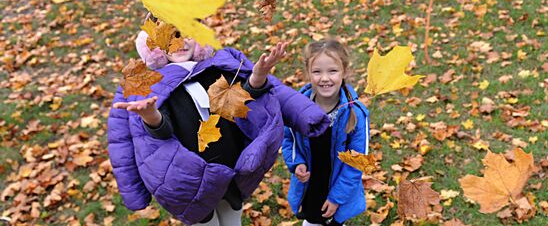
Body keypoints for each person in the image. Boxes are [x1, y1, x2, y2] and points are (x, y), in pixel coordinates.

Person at [108, 18, 330, 226]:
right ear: (154, 46)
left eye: (188, 33)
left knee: (232, 211)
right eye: (171, 36)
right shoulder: (143, 85)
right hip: (189, 177)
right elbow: (123, 143)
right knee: (205, 219)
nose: (181, 42)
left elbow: (256, 95)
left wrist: (259, 77)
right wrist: (150, 116)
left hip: (231, 165)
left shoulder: (222, 62)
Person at [282, 39, 370, 226]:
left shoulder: (355, 113)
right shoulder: (298, 107)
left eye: (332, 71)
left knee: (334, 221)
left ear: (344, 71)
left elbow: (357, 162)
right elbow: (289, 139)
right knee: (313, 219)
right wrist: (296, 162)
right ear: (308, 73)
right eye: (317, 71)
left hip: (338, 186)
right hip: (310, 184)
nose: (324, 78)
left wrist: (337, 198)